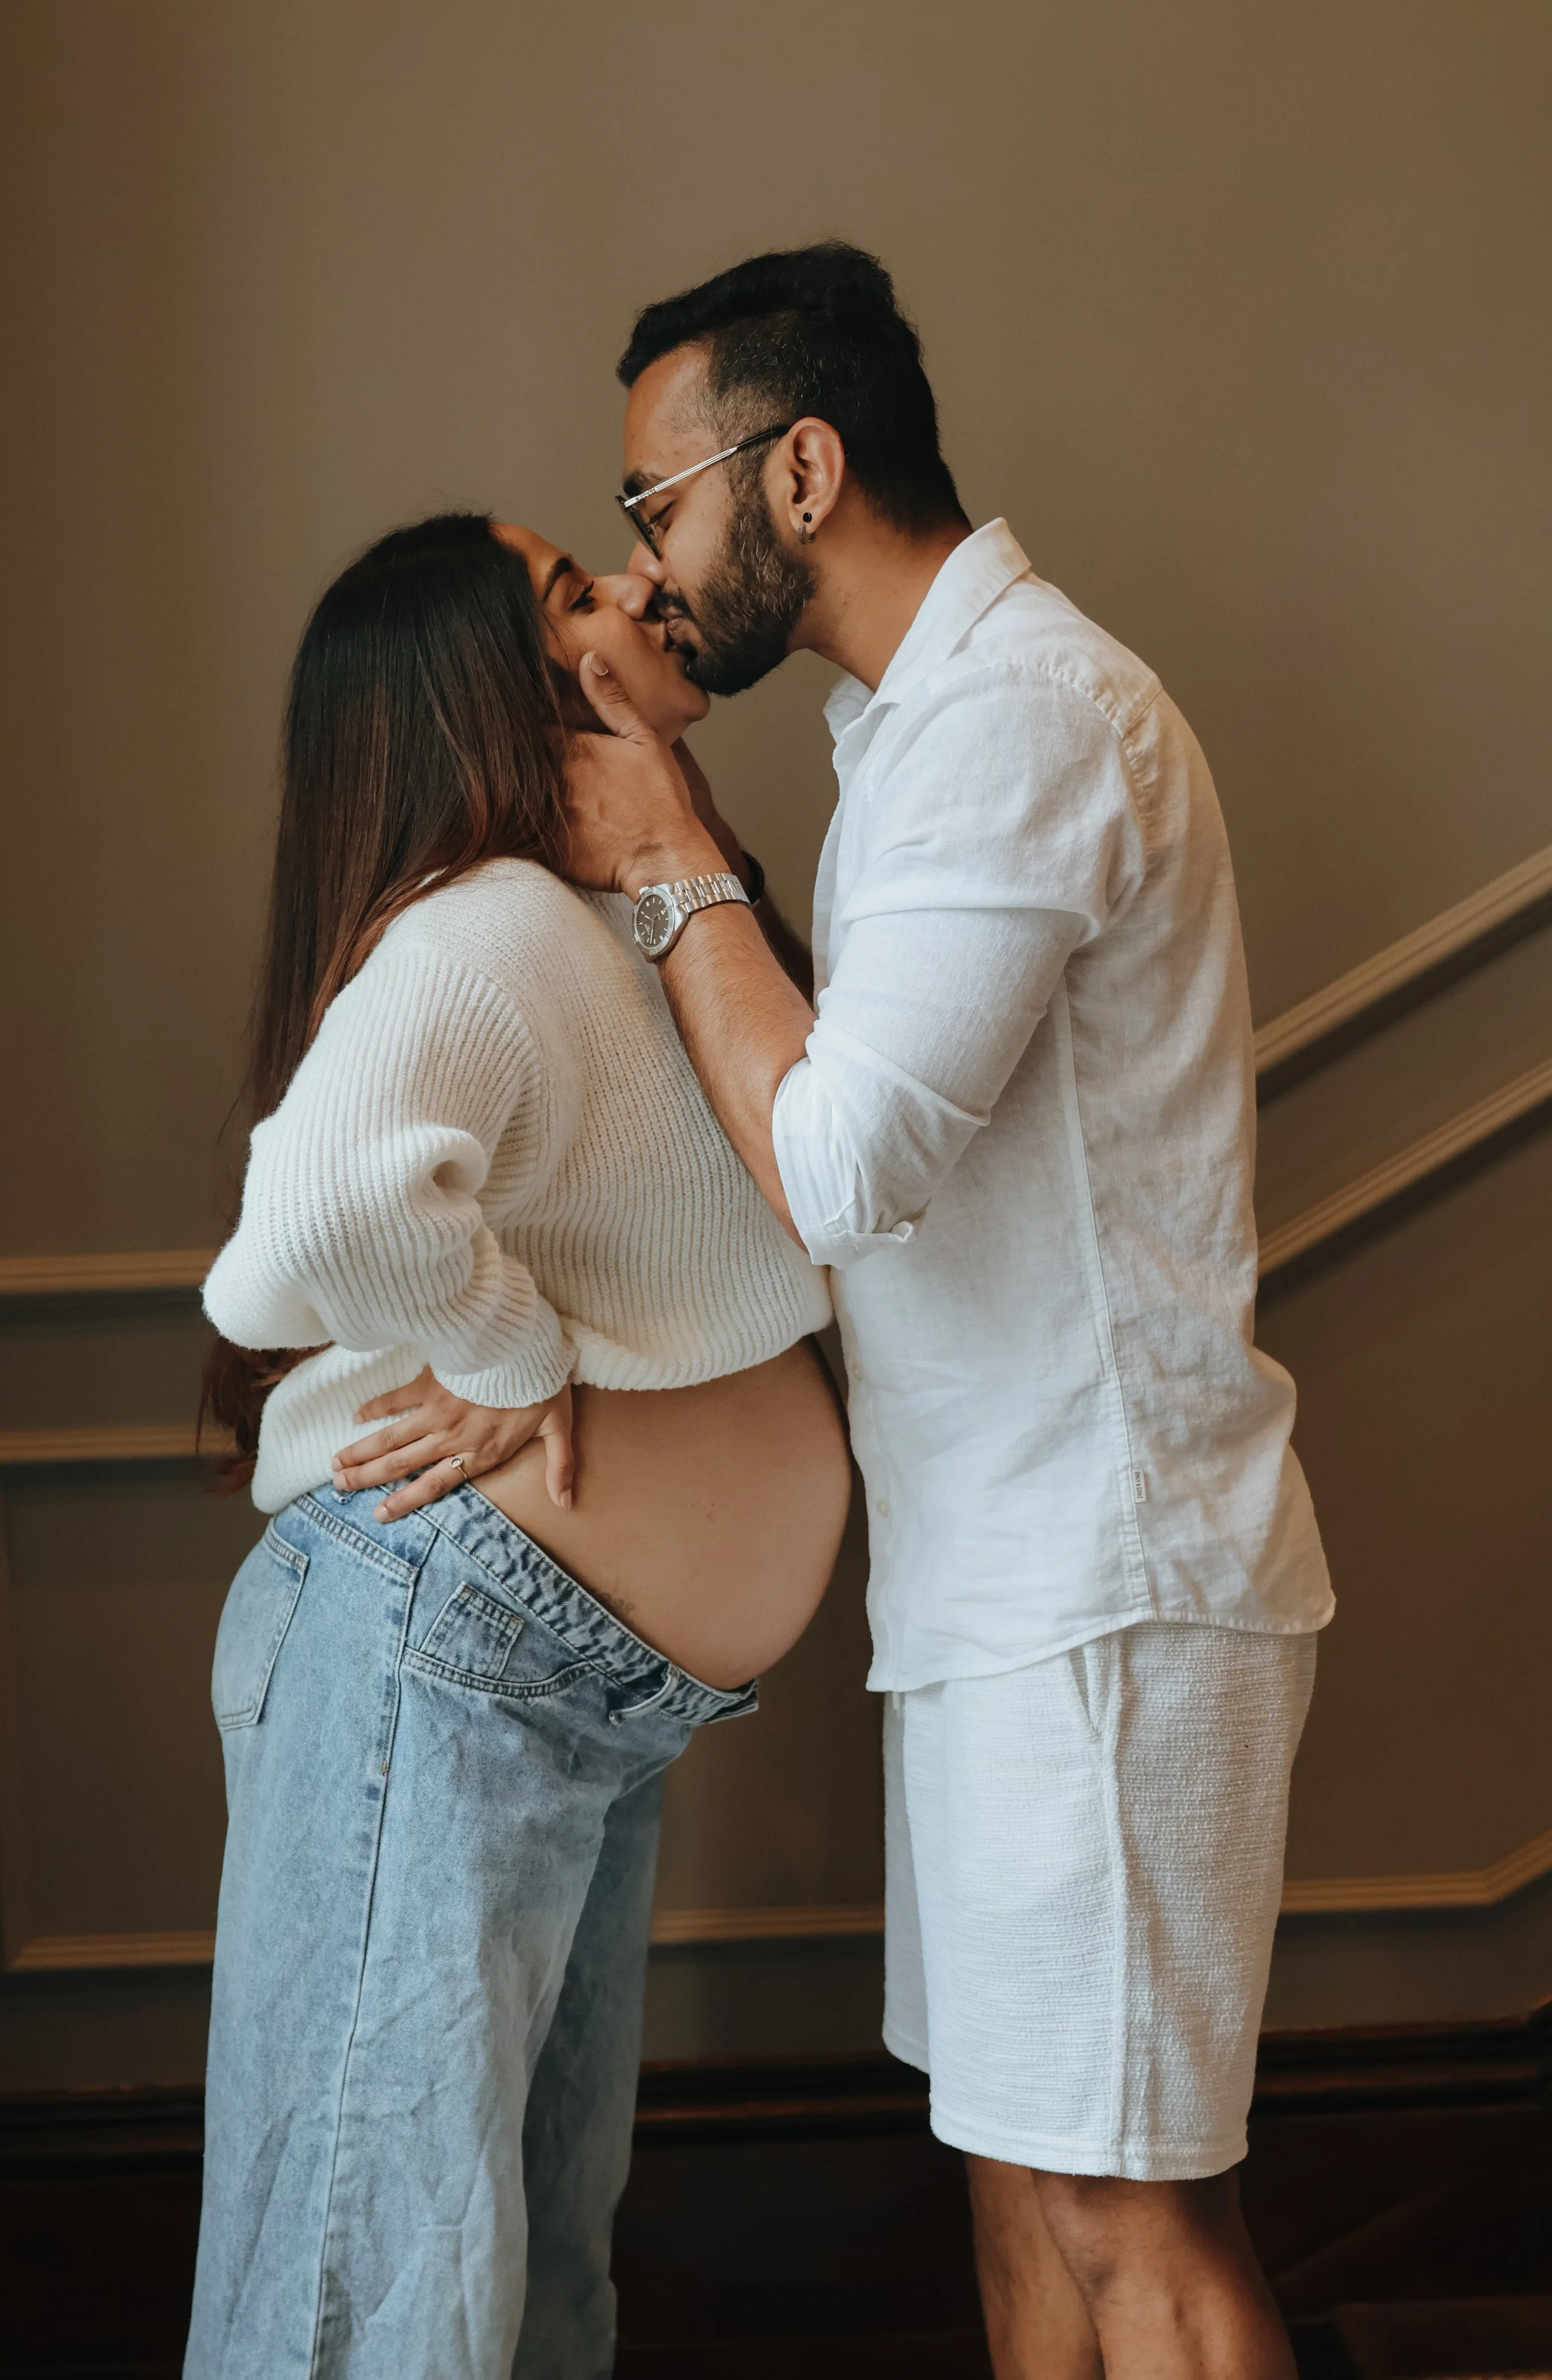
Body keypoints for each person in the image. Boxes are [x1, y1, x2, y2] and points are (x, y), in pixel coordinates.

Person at [562, 242, 1334, 2379]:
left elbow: (833, 1165)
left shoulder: (1019, 715)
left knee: (1123, 2217)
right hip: (1003, 1581)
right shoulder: (915, 726)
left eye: (659, 496)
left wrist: (665, 851)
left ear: (796, 467)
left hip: (1102, 1581)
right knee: (1017, 2184)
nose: (646, 552)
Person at [185, 511, 850, 2380]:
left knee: (523, 2279)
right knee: (365, 2294)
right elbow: (299, 1225)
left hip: (549, 1683)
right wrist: (509, 1341)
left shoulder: (622, 924)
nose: (639, 589)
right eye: (574, 590)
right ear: (489, 686)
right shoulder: (482, 927)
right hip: (436, 1654)